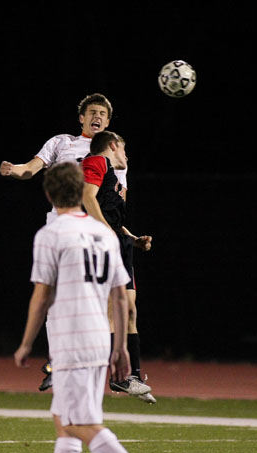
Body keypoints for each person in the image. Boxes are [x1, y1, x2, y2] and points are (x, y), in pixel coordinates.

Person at [14, 162, 161, 453]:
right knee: (65, 418)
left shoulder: (51, 233)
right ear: (81, 191)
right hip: (99, 337)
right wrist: (122, 347)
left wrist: (26, 343)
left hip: (71, 338)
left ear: (49, 194)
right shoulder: (104, 234)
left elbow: (41, 295)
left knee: (79, 422)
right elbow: (120, 294)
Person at [0, 93, 129, 392]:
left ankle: (109, 364)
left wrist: (125, 233)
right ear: (81, 118)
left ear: (108, 123)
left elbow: (117, 200)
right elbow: (32, 167)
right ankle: (59, 362)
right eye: (91, 112)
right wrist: (16, 169)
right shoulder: (62, 142)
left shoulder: (114, 153)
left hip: (95, 228)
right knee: (55, 295)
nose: (97, 116)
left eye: (103, 114)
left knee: (105, 297)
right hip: (62, 223)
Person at [82, 130, 155, 403]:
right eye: (123, 149)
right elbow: (88, 199)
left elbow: (110, 216)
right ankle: (118, 376)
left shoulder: (116, 179)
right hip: (104, 245)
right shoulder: (97, 161)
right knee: (114, 310)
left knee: (130, 310)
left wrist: (132, 240)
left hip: (120, 245)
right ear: (113, 146)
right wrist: (108, 235)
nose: (126, 155)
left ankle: (133, 375)